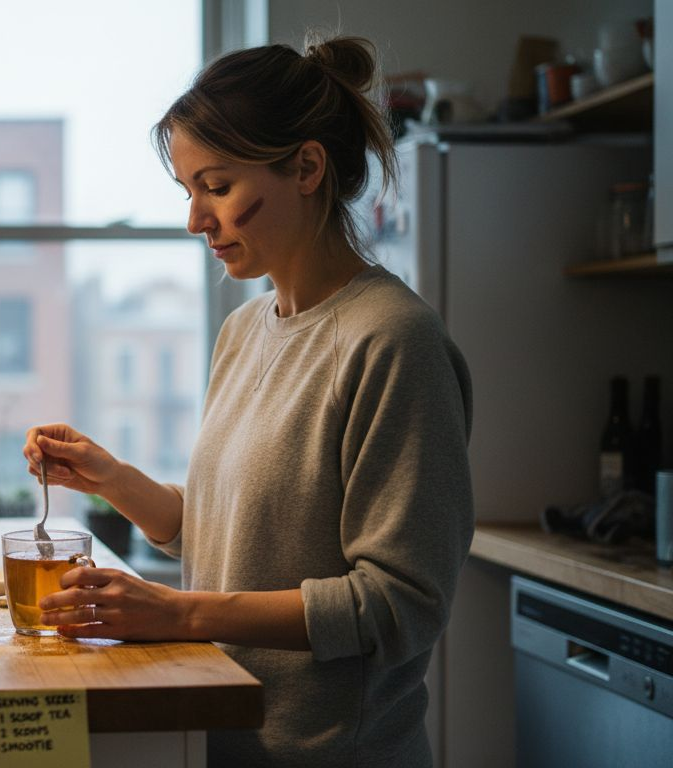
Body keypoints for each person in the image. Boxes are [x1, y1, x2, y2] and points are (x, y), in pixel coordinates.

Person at [23, 35, 473, 768]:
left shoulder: (394, 341)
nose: (195, 218)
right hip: (223, 735)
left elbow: (399, 603)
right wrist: (109, 478)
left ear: (305, 167)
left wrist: (177, 613)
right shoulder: (244, 331)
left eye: (217, 186)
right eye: (188, 191)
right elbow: (230, 536)